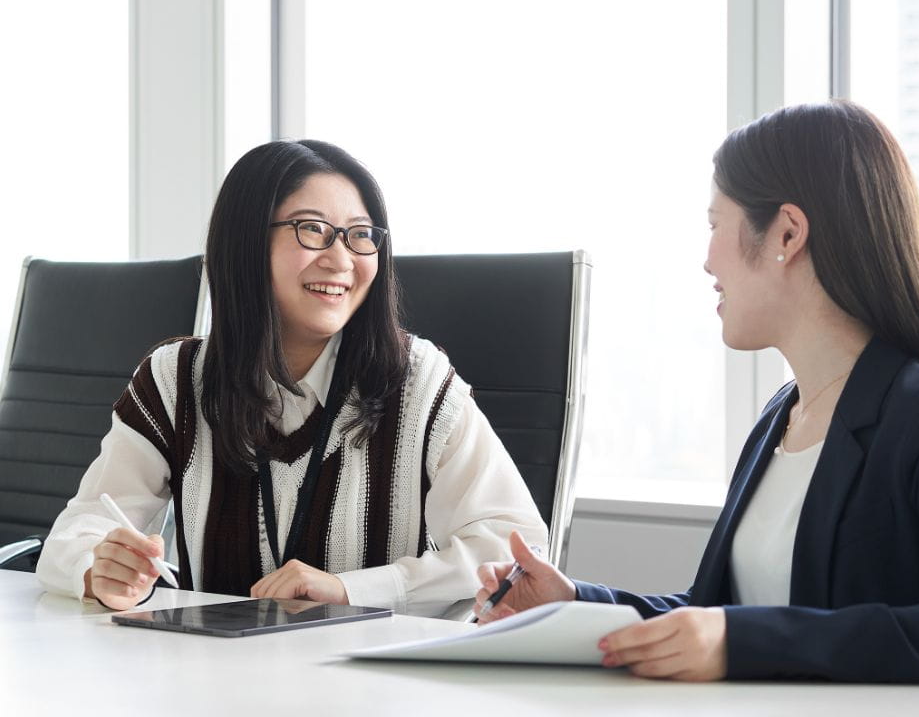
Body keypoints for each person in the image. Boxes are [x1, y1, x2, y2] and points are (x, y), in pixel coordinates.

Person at [474, 101, 919, 684]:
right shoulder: (779, 418)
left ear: (786, 232)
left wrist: (746, 641)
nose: (706, 260)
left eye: (713, 225)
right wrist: (575, 602)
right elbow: (716, 615)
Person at [37, 139, 547, 618]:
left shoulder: (417, 380)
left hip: (369, 687)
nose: (341, 259)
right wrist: (98, 567)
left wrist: (352, 590)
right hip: (210, 681)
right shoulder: (175, 380)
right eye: (312, 229)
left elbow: (514, 545)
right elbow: (76, 533)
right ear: (246, 243)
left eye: (360, 235)